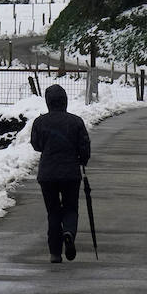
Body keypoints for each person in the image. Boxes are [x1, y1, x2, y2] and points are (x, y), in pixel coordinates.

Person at [29, 84, 91, 263]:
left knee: (53, 211)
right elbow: (84, 146)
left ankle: (55, 253)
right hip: (71, 173)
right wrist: (82, 160)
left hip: (47, 174)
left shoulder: (39, 122)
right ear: (65, 101)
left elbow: (36, 145)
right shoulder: (76, 121)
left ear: (48, 102)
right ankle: (69, 232)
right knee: (71, 207)